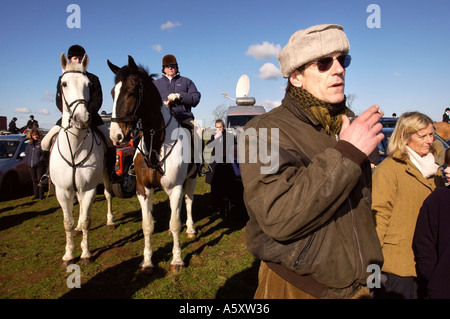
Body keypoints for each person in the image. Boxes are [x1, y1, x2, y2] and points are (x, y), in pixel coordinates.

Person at [239, 24, 384, 299]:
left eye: (343, 60)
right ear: (296, 77)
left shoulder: (346, 123)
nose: (338, 68)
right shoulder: (263, 132)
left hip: (361, 286)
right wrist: (348, 154)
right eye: (324, 62)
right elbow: (278, 214)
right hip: (299, 288)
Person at [372, 111, 444, 299]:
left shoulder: (434, 170)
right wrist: (372, 264)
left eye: (431, 134)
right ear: (405, 137)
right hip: (397, 265)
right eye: (423, 136)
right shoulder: (389, 169)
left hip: (429, 263)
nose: (430, 140)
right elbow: (378, 216)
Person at [41, 44, 119, 183]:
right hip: (68, 118)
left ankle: (110, 171)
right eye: (74, 58)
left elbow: (97, 100)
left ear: (84, 60)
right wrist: (69, 114)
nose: (76, 61)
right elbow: (59, 100)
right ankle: (48, 174)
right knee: (45, 143)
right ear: (69, 60)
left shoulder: (93, 79)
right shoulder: (63, 78)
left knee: (109, 141)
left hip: (91, 117)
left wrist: (86, 113)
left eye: (79, 58)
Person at [413, 148, 450, 298]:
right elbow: (424, 243)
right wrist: (435, 277)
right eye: (447, 164)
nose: (446, 170)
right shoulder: (438, 200)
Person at [154, 54, 203, 167]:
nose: (170, 68)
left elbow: (195, 98)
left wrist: (179, 96)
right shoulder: (156, 84)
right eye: (167, 66)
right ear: (163, 69)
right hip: (163, 119)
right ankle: (137, 162)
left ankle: (200, 164)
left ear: (176, 67)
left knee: (198, 131)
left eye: (173, 66)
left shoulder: (186, 81)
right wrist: (163, 104)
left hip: (184, 118)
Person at [205, 119, 239, 212]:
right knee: (214, 184)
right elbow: (208, 146)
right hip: (215, 162)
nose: (218, 129)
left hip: (226, 161)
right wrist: (215, 139)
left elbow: (235, 147)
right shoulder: (213, 136)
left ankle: (231, 202)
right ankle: (215, 204)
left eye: (220, 127)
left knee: (228, 183)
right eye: (216, 127)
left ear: (223, 127)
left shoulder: (230, 136)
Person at [25, 128, 47, 200]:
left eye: (36, 135)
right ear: (31, 136)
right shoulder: (29, 144)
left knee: (40, 179)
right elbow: (27, 154)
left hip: (40, 165)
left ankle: (41, 195)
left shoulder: (41, 143)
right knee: (34, 180)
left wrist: (41, 160)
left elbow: (44, 154)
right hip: (31, 165)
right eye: (34, 135)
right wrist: (28, 161)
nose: (35, 136)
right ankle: (36, 194)